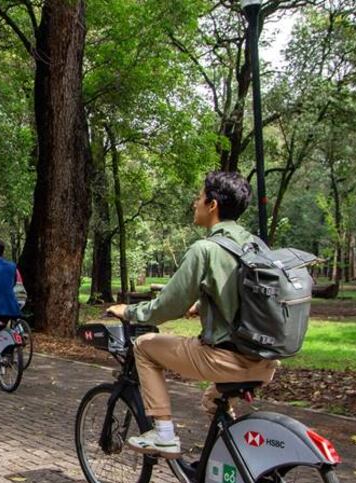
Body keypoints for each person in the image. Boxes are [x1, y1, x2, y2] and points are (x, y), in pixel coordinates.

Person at [106, 171, 279, 459]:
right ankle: (237, 471)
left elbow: (165, 308)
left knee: (144, 346)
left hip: (224, 358)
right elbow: (248, 295)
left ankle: (163, 435)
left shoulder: (205, 249)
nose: (194, 203)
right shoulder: (255, 246)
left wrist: (130, 311)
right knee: (214, 403)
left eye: (198, 198)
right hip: (264, 360)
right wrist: (202, 305)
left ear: (212, 205)